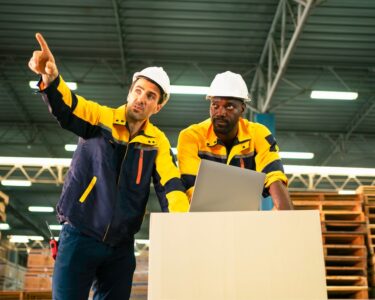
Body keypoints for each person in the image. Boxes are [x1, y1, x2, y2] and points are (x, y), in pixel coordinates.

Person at [28, 33, 190, 300]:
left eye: (150, 96)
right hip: (80, 233)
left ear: (157, 106)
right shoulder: (100, 119)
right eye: (138, 91)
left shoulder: (157, 142)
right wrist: (51, 78)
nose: (141, 99)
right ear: (129, 92)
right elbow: (69, 107)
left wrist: (184, 225)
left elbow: (170, 186)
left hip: (120, 247)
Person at [177, 71, 293, 210]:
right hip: (204, 216)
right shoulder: (191, 137)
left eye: (229, 106)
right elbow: (192, 187)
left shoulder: (258, 134)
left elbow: (274, 175)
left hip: (244, 219)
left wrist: (285, 213)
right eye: (215, 105)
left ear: (242, 108)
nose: (220, 113)